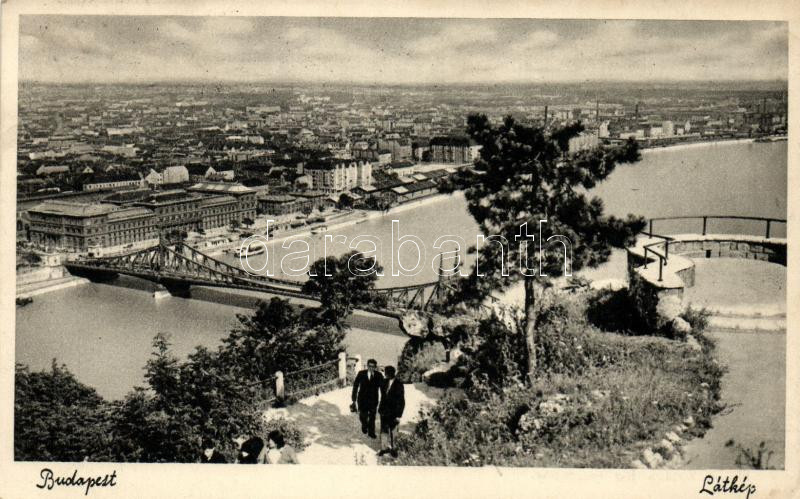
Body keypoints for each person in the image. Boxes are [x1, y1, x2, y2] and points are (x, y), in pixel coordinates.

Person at [351, 358, 383, 438]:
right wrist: (354, 398)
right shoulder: (361, 373)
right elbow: (355, 386)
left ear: (375, 367)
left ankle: (371, 432)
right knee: (363, 416)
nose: (371, 368)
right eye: (369, 366)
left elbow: (382, 388)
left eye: (373, 366)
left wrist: (384, 399)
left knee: (372, 416)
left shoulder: (379, 375)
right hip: (362, 399)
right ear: (367, 366)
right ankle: (364, 425)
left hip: (373, 399)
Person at [378, 365, 405, 457]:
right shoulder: (384, 382)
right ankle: (384, 448)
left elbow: (402, 401)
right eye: (385, 373)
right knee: (383, 430)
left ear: (393, 373)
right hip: (384, 411)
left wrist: (399, 415)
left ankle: (394, 449)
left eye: (388, 373)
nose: (386, 374)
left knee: (394, 431)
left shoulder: (399, 384)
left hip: (394, 413)